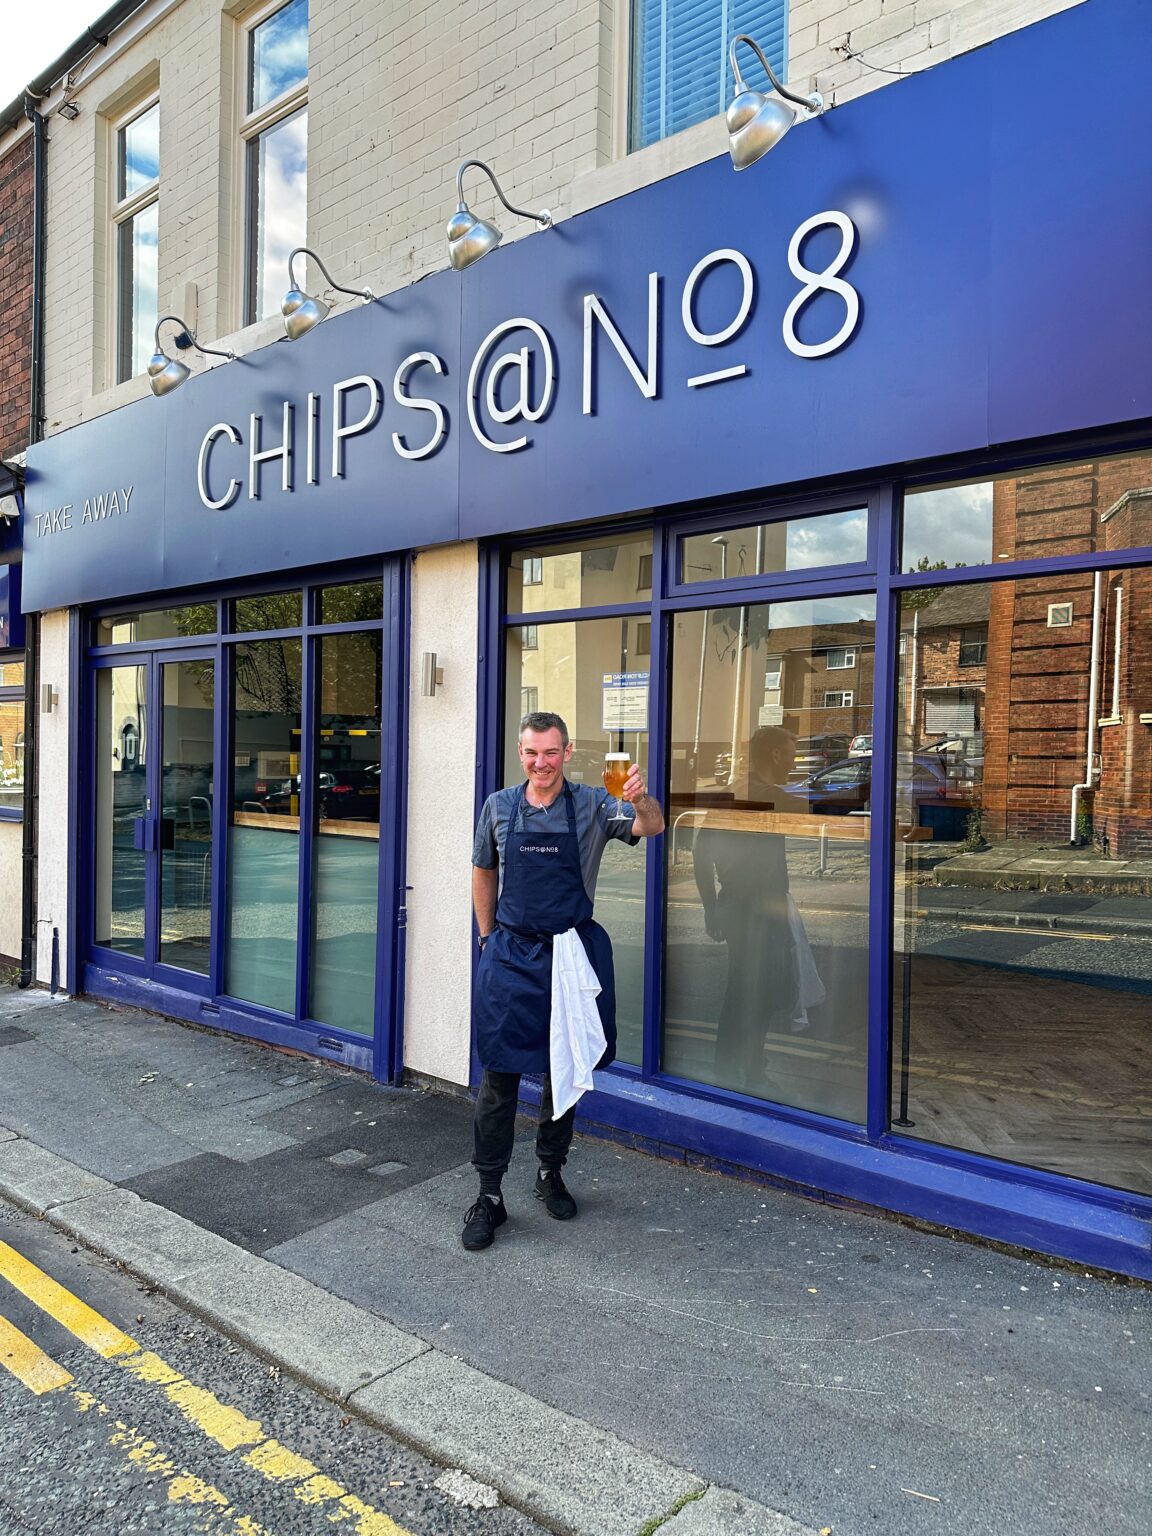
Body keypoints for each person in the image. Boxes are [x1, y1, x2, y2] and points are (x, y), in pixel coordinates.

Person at [464, 710, 665, 1251]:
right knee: (499, 1078)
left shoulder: (597, 804)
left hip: (571, 955)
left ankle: (550, 1172)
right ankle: (489, 1194)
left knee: (566, 1070)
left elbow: (652, 827)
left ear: (567, 752)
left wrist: (641, 798)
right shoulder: (499, 805)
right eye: (532, 752)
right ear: (520, 753)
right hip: (511, 955)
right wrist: (486, 938)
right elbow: (483, 869)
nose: (541, 763)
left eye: (551, 752)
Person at [693, 727, 822, 1093]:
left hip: (736, 903)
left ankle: (737, 1070)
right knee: (754, 993)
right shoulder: (768, 795)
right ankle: (743, 1073)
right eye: (791, 755)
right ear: (775, 755)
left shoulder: (729, 794)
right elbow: (822, 809)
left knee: (748, 990)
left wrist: (711, 907)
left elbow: (701, 855)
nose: (793, 763)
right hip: (758, 907)